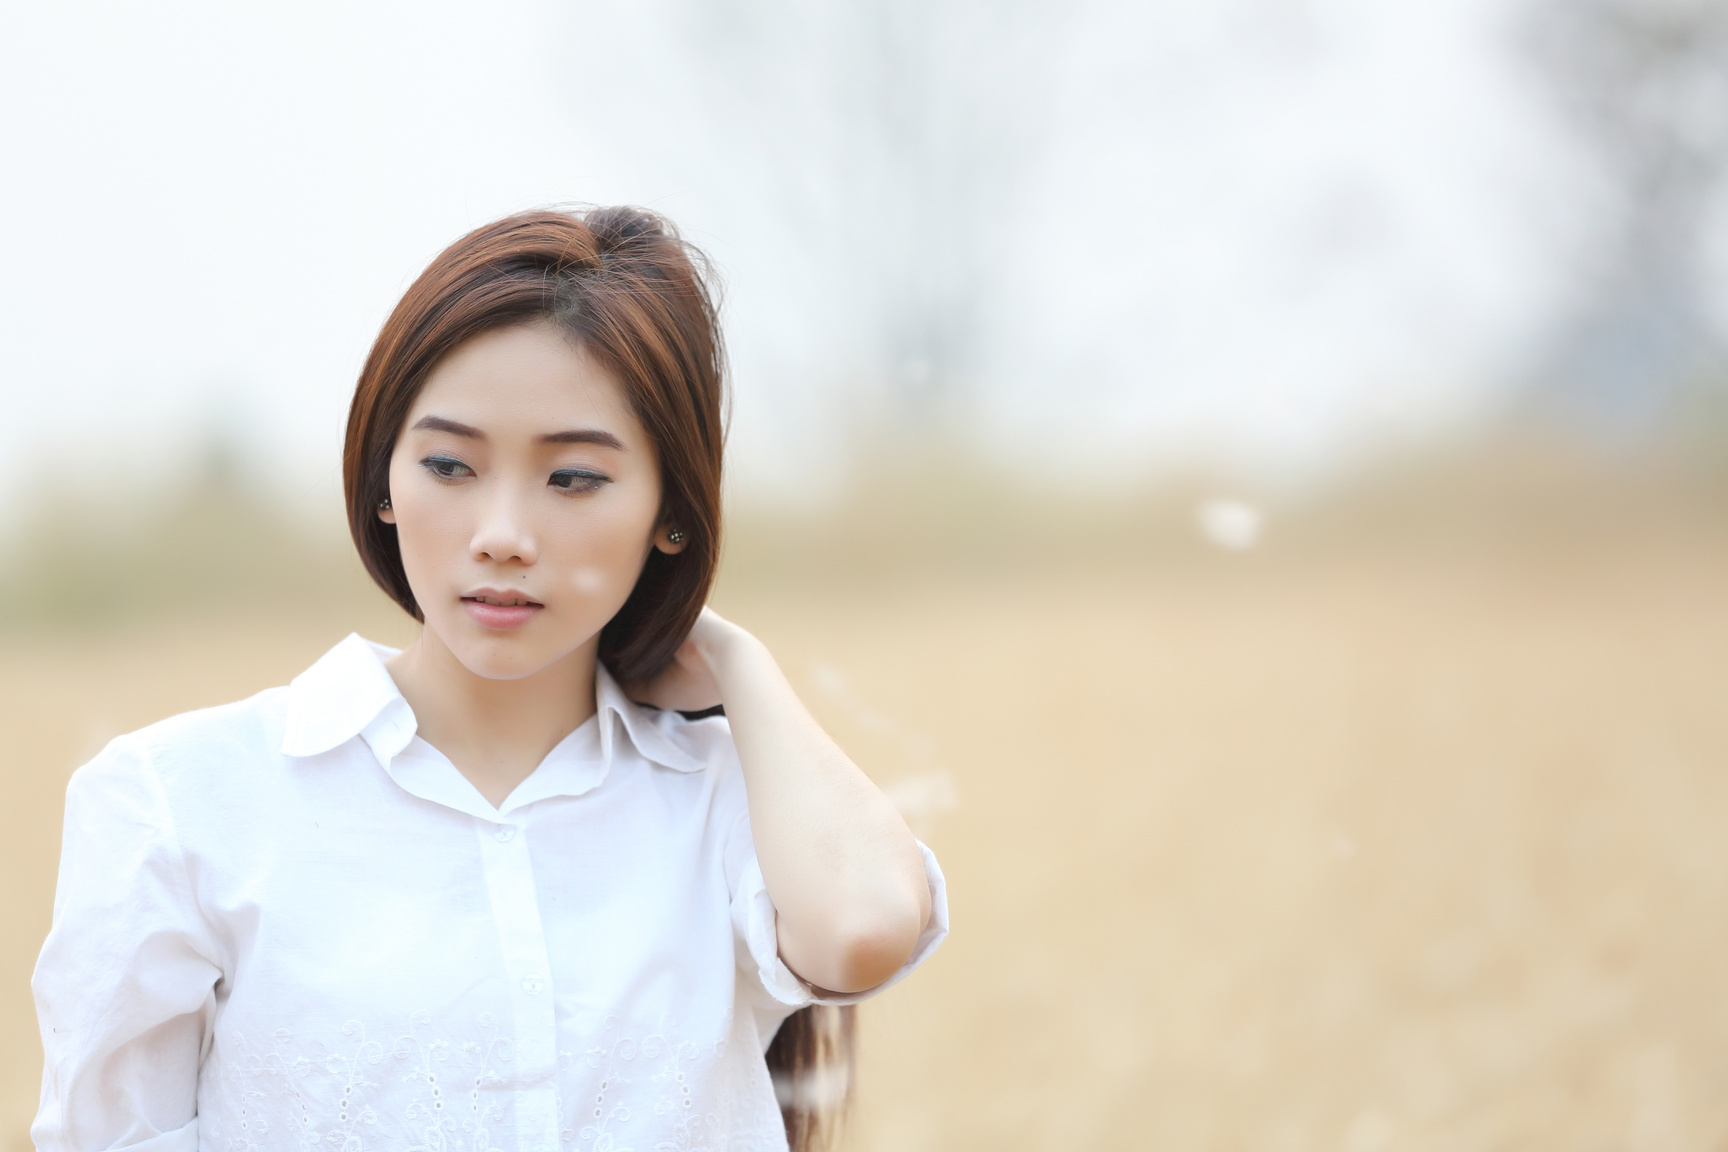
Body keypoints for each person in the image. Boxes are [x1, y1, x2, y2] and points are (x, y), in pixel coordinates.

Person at [31, 206, 948, 1152]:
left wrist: (736, 662)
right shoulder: (184, 804)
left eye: (574, 479)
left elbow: (864, 930)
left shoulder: (726, 800)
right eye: (449, 464)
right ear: (385, 481)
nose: (501, 533)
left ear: (671, 510)